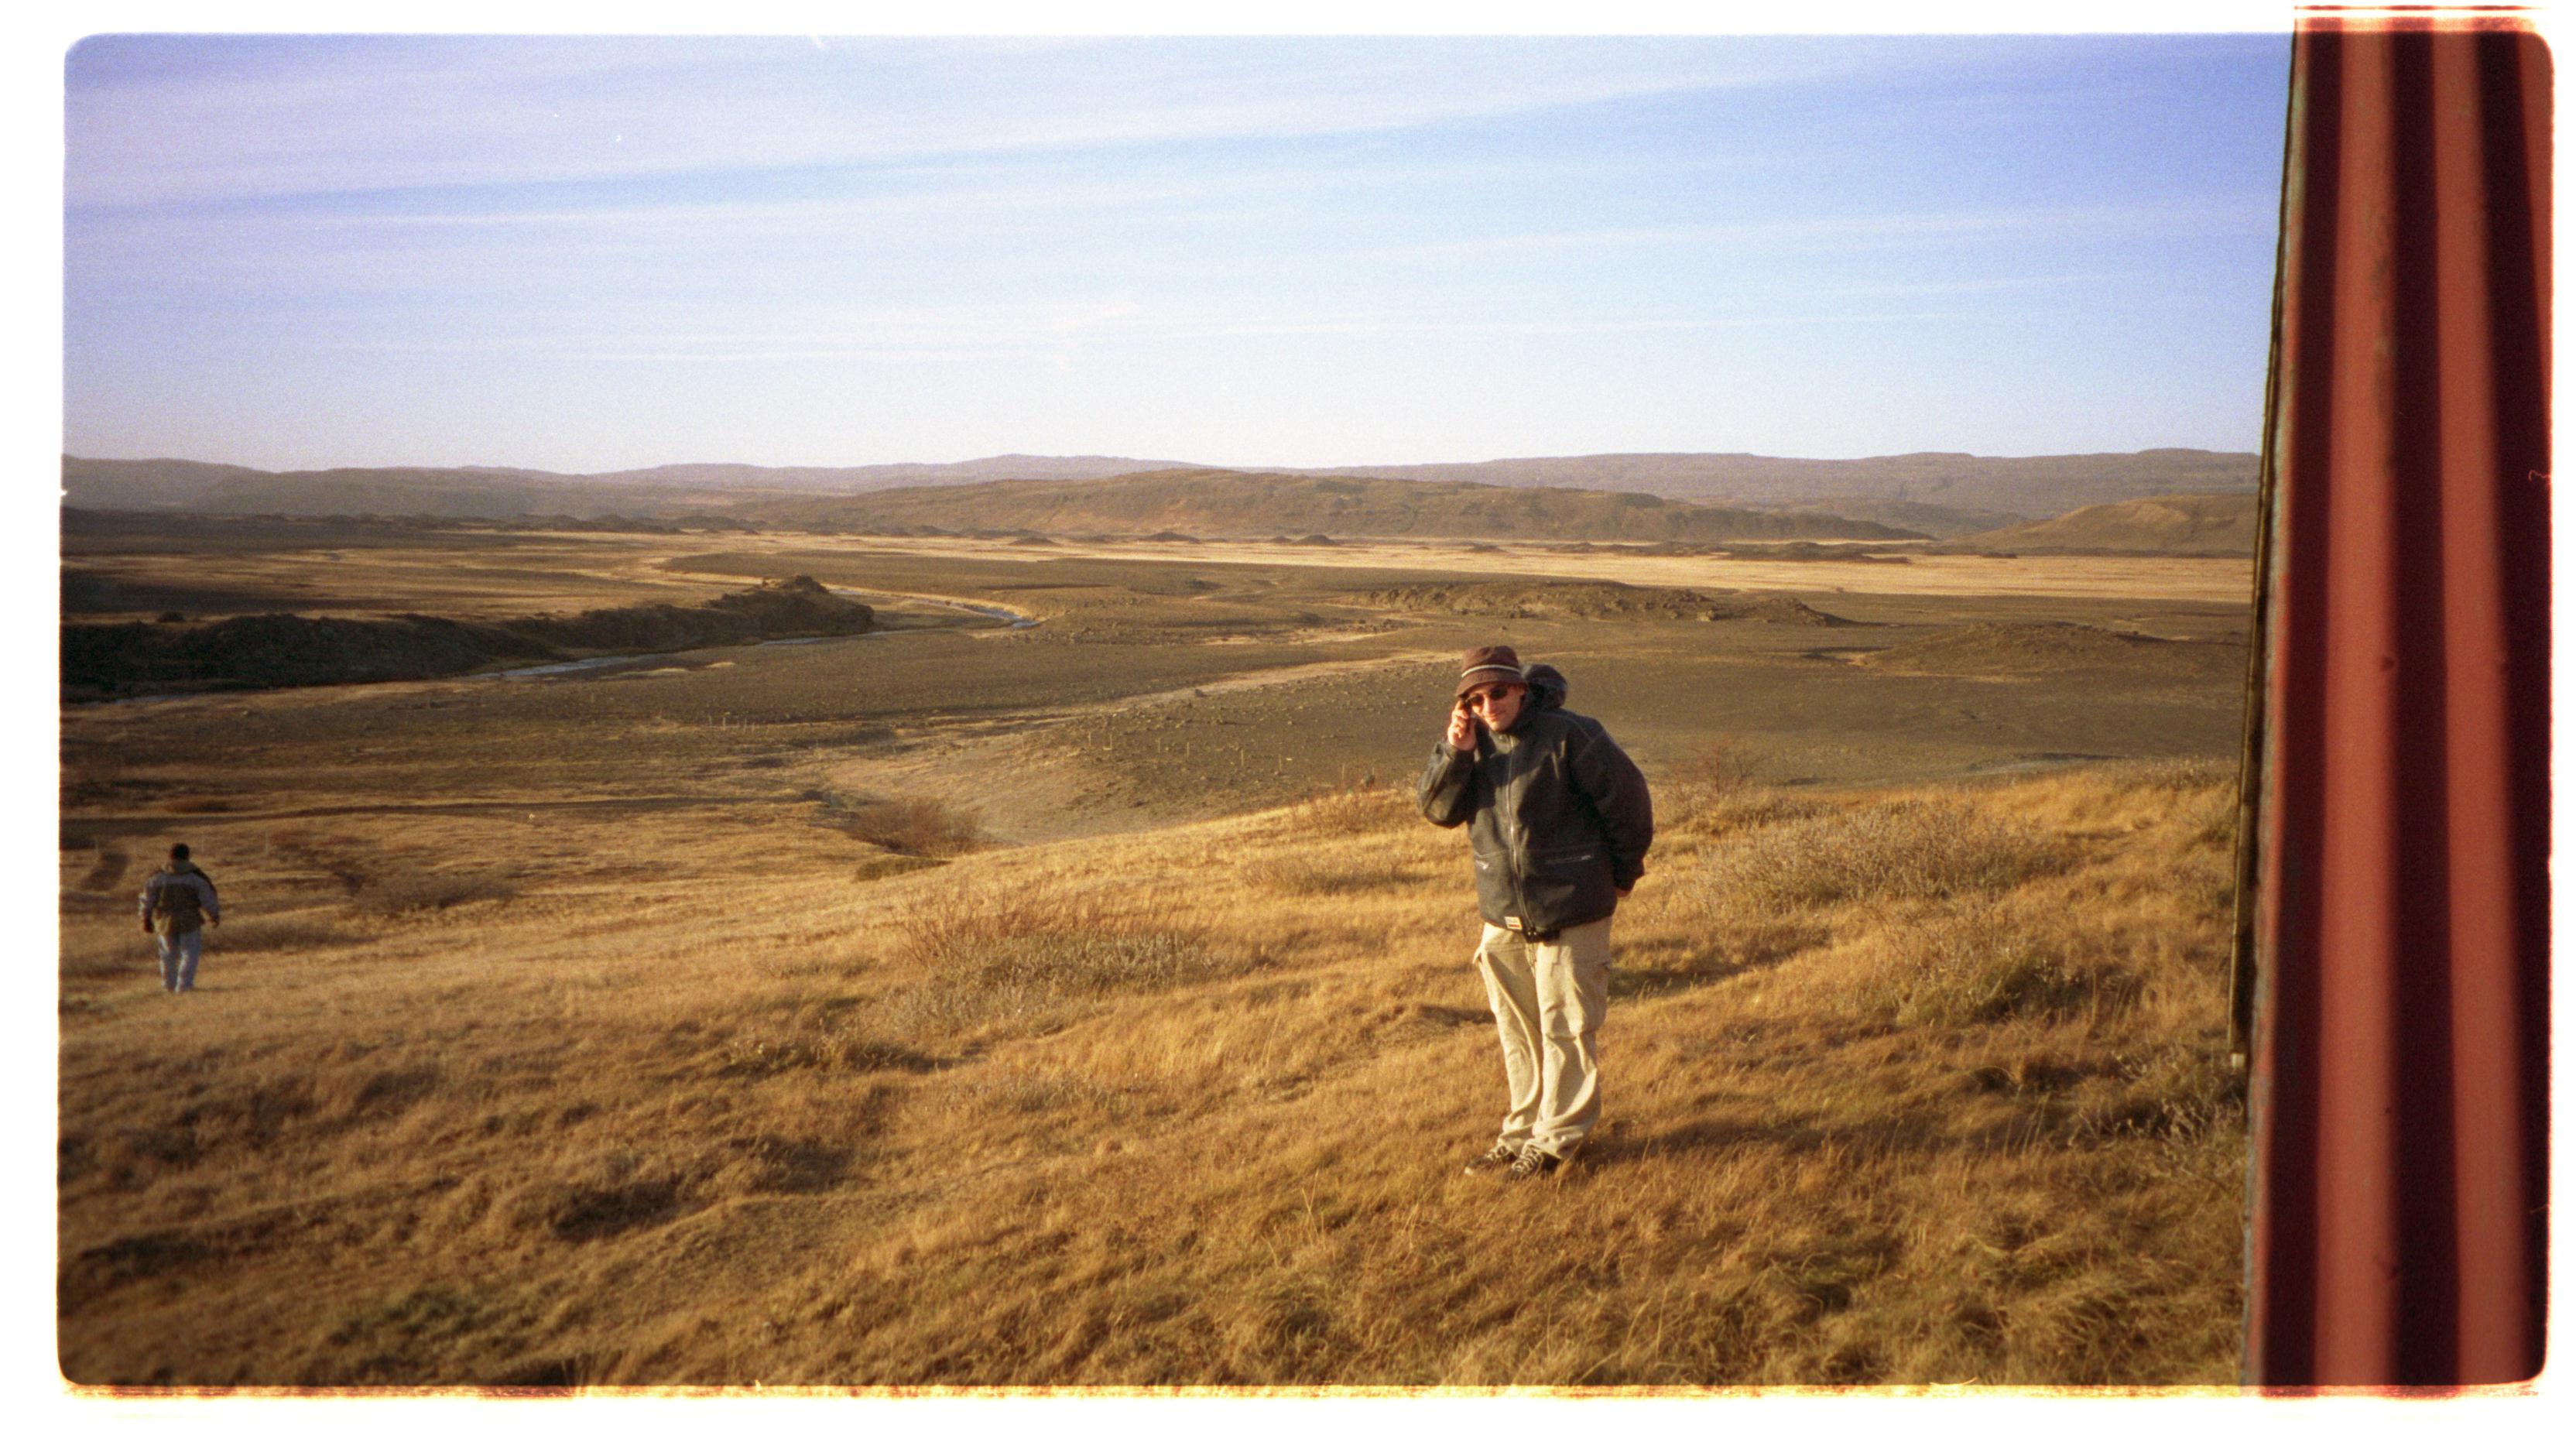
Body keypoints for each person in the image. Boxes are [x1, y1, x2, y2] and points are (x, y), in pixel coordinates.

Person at [1418, 644, 1653, 1182]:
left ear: (1520, 687)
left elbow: (1630, 804)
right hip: (1503, 917)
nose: (1488, 704)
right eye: (1474, 699)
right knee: (1519, 1033)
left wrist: (1622, 875)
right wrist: (1454, 751)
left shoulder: (1572, 735)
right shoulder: (1473, 747)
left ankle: (1555, 1144)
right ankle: (1522, 1133)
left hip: (1572, 909)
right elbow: (1436, 810)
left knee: (1565, 1028)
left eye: (1497, 691)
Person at [139, 843, 220, 994]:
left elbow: (147, 899)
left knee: (167, 954)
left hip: (164, 920)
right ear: (187, 856)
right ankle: (184, 986)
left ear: (170, 856)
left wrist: (146, 918)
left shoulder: (158, 876)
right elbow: (207, 898)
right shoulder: (195, 877)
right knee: (190, 952)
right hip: (189, 919)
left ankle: (169, 985)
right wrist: (214, 915)